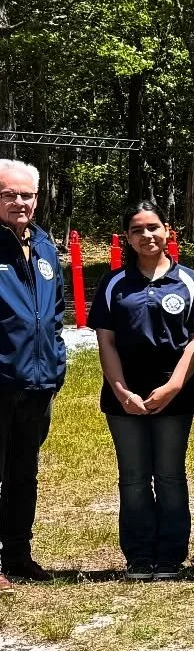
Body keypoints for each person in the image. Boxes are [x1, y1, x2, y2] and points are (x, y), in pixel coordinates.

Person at [91, 203, 194, 580]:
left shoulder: (190, 281)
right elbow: (106, 342)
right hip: (124, 394)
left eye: (153, 227)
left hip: (176, 394)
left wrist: (173, 386)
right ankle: (140, 556)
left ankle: (171, 556)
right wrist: (121, 391)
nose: (147, 235)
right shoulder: (113, 283)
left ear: (167, 230)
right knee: (133, 477)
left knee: (170, 475)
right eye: (137, 230)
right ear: (127, 238)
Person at [0, 158, 65, 589]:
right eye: (9, 194)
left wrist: (56, 362)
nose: (19, 202)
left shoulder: (43, 245)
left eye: (26, 194)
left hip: (37, 382)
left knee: (23, 474)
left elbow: (54, 312)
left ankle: (18, 555)